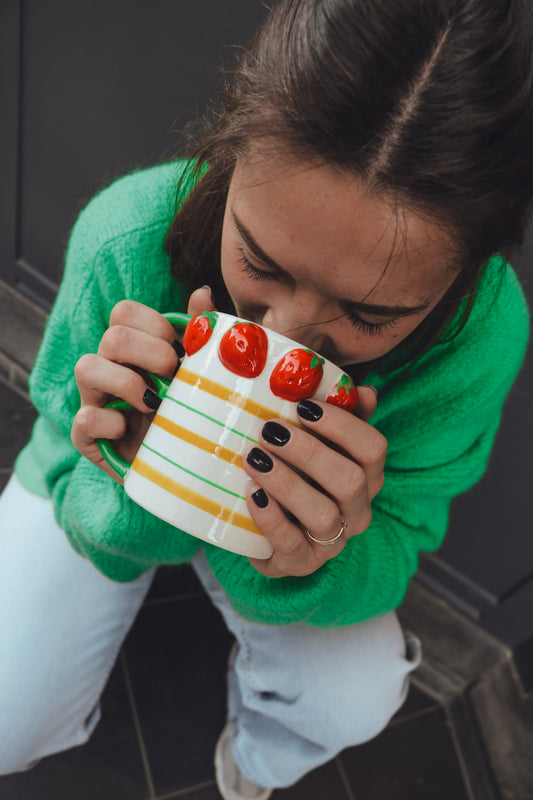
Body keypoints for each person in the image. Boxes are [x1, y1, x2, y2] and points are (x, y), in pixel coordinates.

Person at [1, 0, 531, 797]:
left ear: (466, 276)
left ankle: (255, 765)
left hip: (303, 550)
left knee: (354, 696)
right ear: (229, 143)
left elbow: (397, 546)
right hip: (100, 486)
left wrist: (301, 561)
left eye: (368, 314)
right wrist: (128, 477)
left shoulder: (479, 339)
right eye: (257, 258)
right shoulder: (129, 236)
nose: (284, 343)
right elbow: (65, 455)